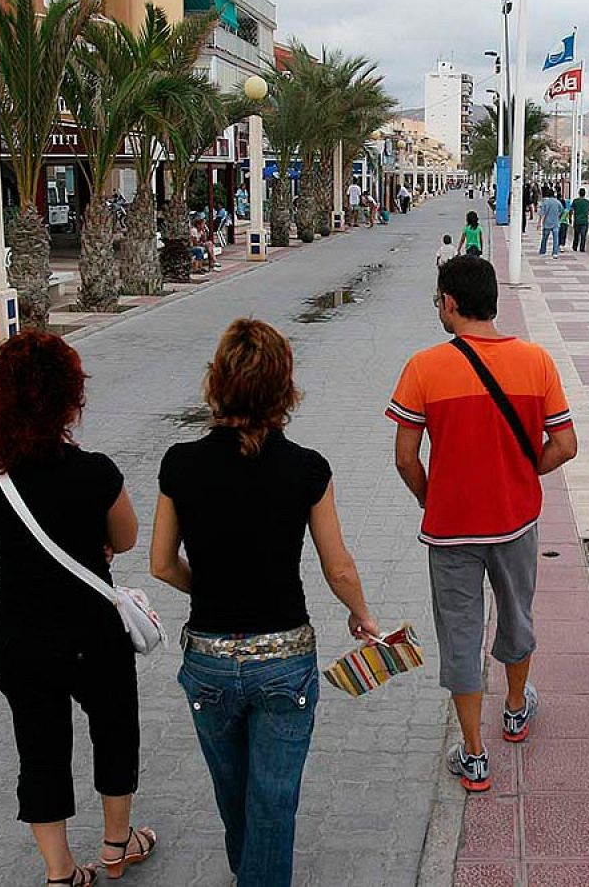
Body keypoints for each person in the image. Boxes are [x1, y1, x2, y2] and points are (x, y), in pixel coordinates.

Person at [149, 319, 379, 887]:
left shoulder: (180, 464)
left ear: (217, 382)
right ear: (284, 388)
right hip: (284, 660)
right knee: (274, 800)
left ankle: (246, 870)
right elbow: (338, 566)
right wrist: (361, 613)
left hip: (207, 659)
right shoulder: (307, 468)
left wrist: (210, 588)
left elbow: (160, 563)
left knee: (233, 790)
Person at [0, 331, 154, 887]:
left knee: (40, 748)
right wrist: (94, 541)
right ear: (71, 398)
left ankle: (60, 872)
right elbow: (125, 538)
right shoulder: (95, 473)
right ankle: (117, 846)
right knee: (114, 730)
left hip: (18, 632)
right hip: (91, 631)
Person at [387, 255, 578, 792]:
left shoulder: (423, 367)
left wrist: (432, 497)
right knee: (517, 616)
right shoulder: (536, 362)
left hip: (450, 530)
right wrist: (521, 472)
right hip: (515, 521)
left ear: (450, 303)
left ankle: (473, 754)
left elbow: (405, 458)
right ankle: (515, 709)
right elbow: (565, 444)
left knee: (460, 633)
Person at [537, 187, 563, 257]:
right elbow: (561, 211)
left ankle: (543, 251)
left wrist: (539, 223)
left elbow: (542, 213)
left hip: (547, 223)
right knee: (556, 239)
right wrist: (558, 216)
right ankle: (555, 253)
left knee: (544, 238)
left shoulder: (545, 202)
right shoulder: (558, 202)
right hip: (556, 223)